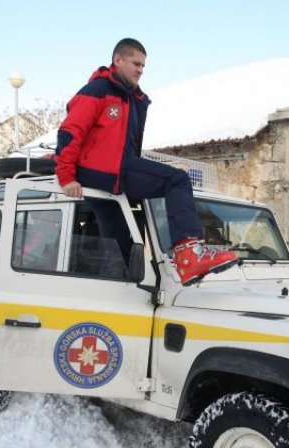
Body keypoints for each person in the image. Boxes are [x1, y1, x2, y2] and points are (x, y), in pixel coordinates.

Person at [55, 38, 238, 286]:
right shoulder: (97, 92)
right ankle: (187, 254)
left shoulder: (132, 98)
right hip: (101, 170)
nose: (140, 70)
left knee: (123, 241)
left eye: (143, 66)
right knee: (177, 180)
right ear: (117, 60)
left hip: (113, 173)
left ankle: (118, 284)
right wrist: (67, 177)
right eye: (136, 63)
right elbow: (70, 133)